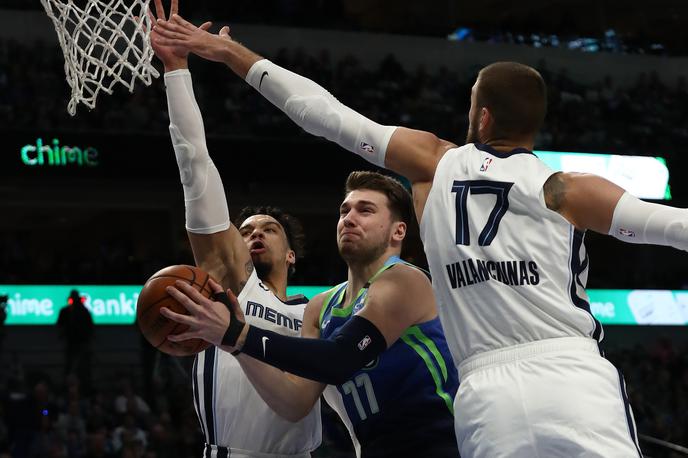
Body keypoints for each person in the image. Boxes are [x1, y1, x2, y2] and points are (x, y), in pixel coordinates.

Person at [153, 14, 688, 456]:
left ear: (480, 117)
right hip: (572, 374)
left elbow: (323, 114)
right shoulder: (568, 190)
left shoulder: (435, 164)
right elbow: (670, 227)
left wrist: (231, 55)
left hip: (487, 395)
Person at [163, 170, 460, 458]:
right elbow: (294, 402)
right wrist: (235, 345)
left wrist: (238, 334)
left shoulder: (404, 280)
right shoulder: (321, 306)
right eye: (345, 211)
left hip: (442, 444)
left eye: (365, 210)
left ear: (398, 231)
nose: (349, 219)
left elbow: (339, 359)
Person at [148, 1, 321, 457]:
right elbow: (195, 164)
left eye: (269, 229)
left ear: (291, 255)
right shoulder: (226, 286)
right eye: (245, 231)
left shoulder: (318, 314)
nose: (254, 234)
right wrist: (176, 71)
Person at [56, 289, 94, 387]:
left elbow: (89, 327)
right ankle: (69, 385)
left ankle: (83, 385)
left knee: (82, 366)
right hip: (72, 343)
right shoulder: (66, 311)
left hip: (81, 343)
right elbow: (60, 325)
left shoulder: (84, 312)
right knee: (71, 365)